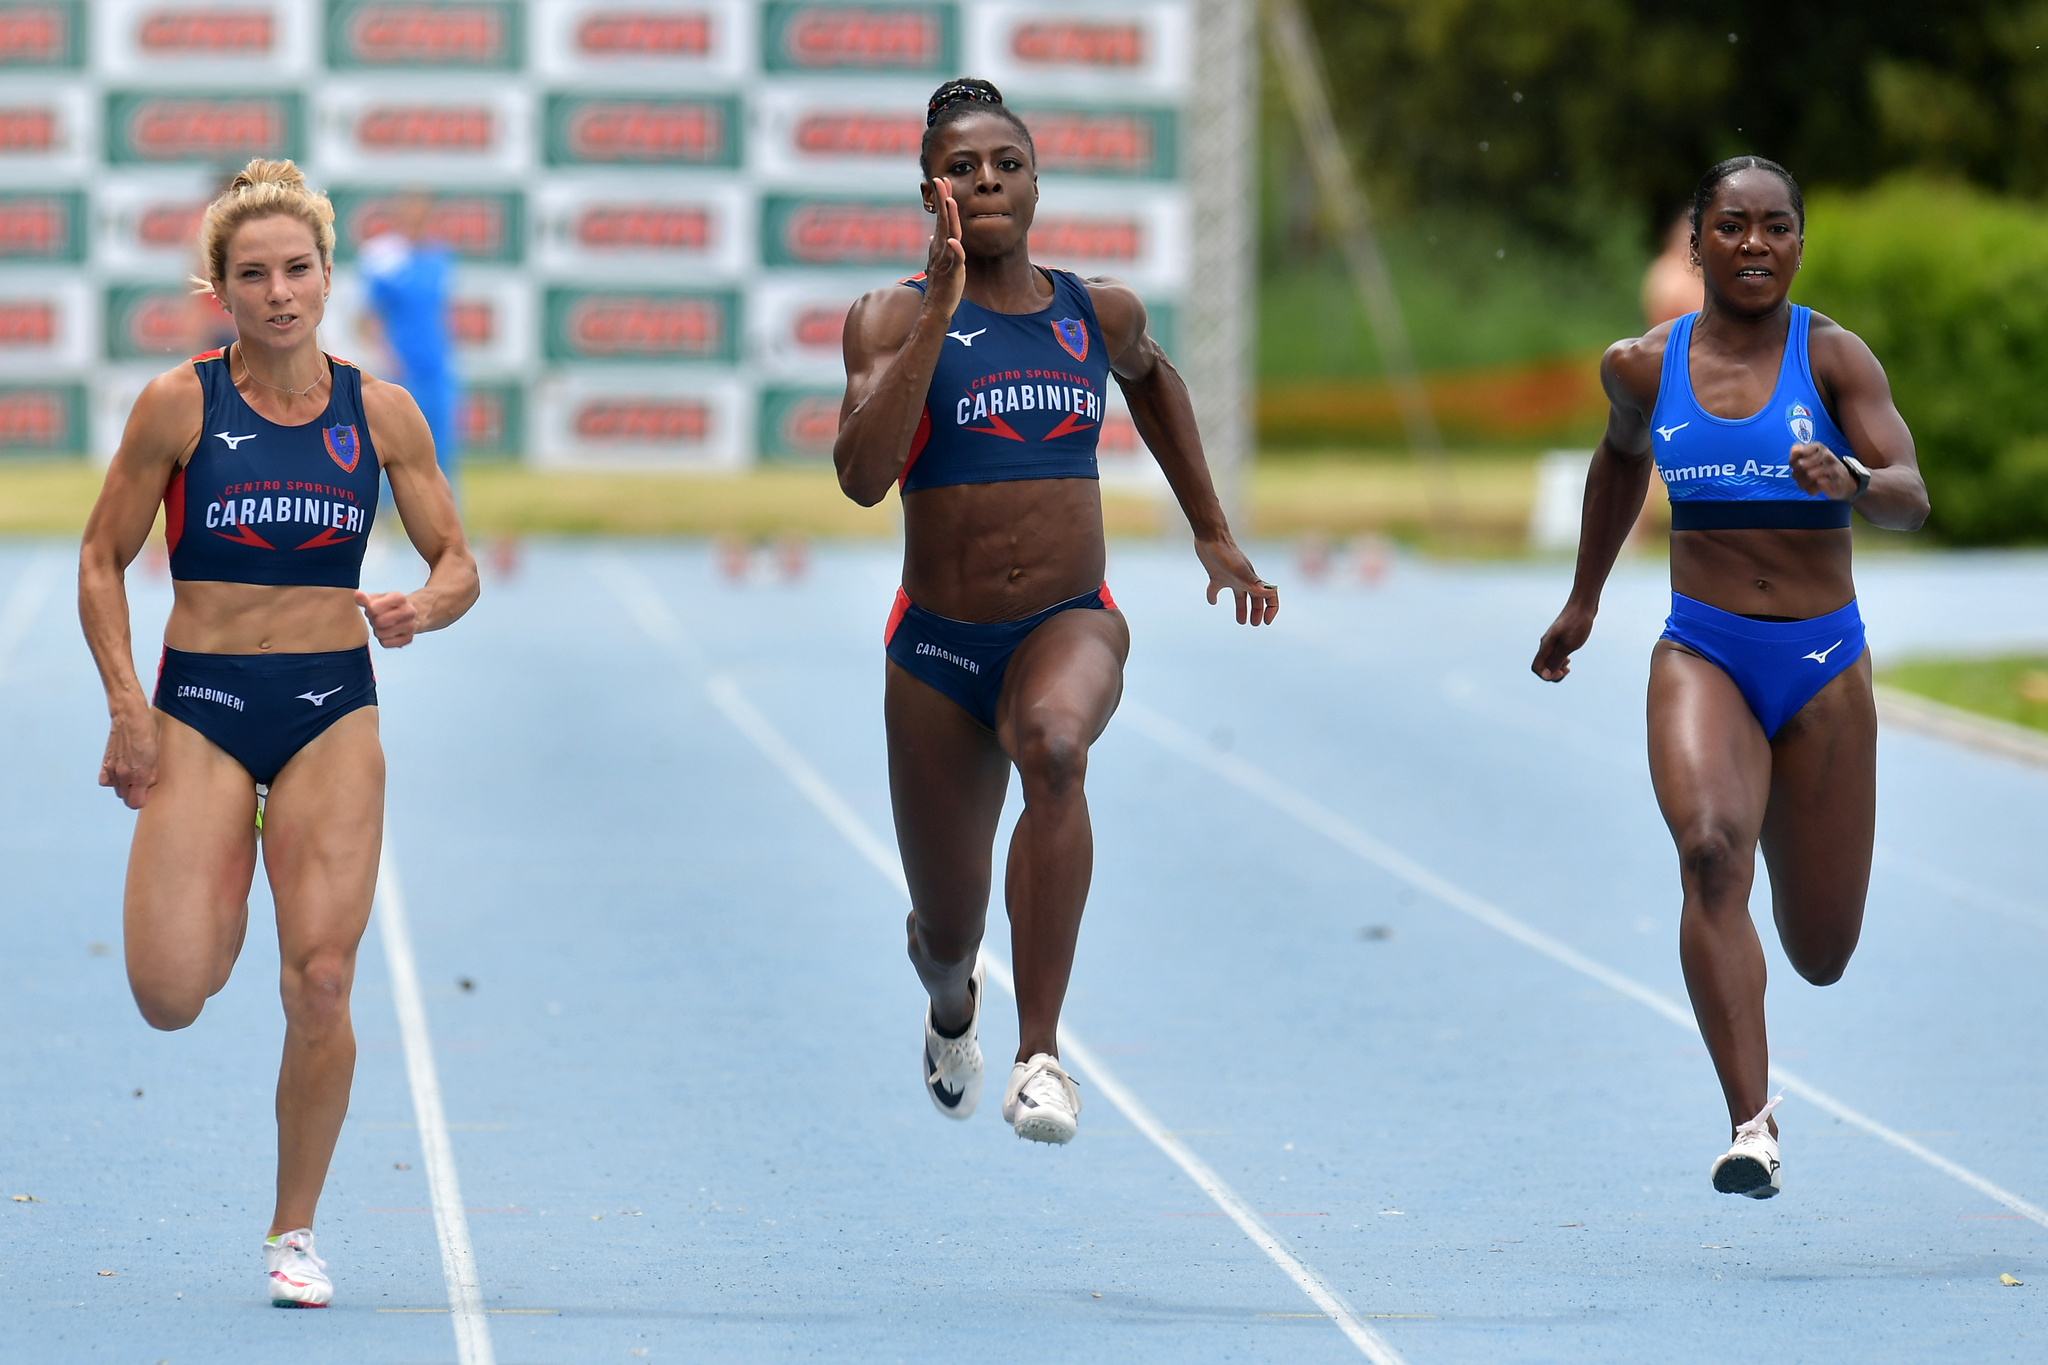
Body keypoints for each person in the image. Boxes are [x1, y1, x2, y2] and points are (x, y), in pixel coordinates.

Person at [834, 78, 1278, 1145]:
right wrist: (939, 312)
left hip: (1068, 620)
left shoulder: (1094, 312)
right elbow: (860, 476)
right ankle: (953, 1009)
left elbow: (1154, 379)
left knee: (1057, 749)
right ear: (930, 193)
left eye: (1007, 164)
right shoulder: (889, 317)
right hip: (937, 653)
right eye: (961, 168)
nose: (986, 181)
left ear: (1036, 184)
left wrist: (1210, 529)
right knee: (945, 934)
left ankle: (1039, 1056)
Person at [78, 159, 478, 1304]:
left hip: (329, 711)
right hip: (200, 709)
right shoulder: (179, 405)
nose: (278, 292)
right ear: (220, 290)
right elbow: (100, 559)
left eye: (296, 269)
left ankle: (291, 1233)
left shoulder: (379, 413)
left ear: (326, 276)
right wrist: (126, 708)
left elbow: (457, 563)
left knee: (322, 980)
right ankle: (228, 874)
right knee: (170, 993)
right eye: (251, 275)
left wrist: (422, 607)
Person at [1531, 157, 1928, 1198]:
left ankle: (1792, 954)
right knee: (1709, 852)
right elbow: (1619, 461)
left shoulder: (1832, 357)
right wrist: (1583, 599)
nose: (1755, 244)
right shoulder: (1639, 367)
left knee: (1821, 951)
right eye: (1733, 225)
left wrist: (1851, 477)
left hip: (1821, 664)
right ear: (1694, 241)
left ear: (1797, 242)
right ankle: (1752, 1124)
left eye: (1776, 226)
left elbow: (1909, 494)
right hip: (1701, 649)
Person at [358, 190, 458, 486]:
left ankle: (446, 508)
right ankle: (387, 511)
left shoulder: (439, 257)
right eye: (410, 213)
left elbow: (440, 311)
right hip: (400, 366)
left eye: (422, 214)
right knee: (396, 444)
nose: (417, 220)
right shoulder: (385, 260)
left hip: (436, 364)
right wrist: (386, 356)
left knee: (441, 447)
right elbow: (369, 317)